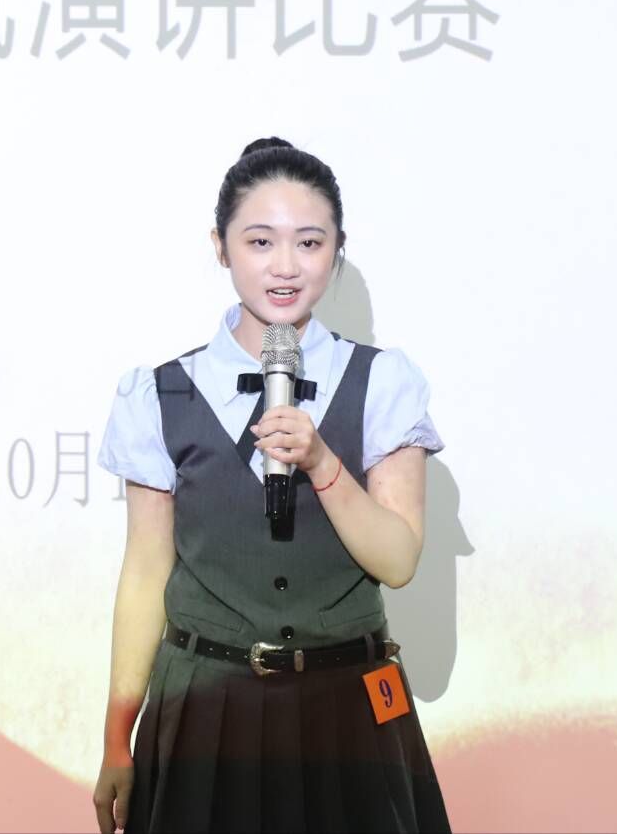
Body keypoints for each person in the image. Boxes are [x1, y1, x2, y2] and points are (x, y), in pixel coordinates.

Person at [91, 138, 452, 834]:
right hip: (205, 710)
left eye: (309, 242)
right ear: (221, 247)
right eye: (260, 241)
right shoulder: (158, 393)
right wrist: (116, 736)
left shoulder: (382, 382)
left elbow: (398, 560)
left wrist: (322, 462)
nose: (285, 266)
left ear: (337, 250)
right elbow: (145, 572)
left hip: (347, 710)